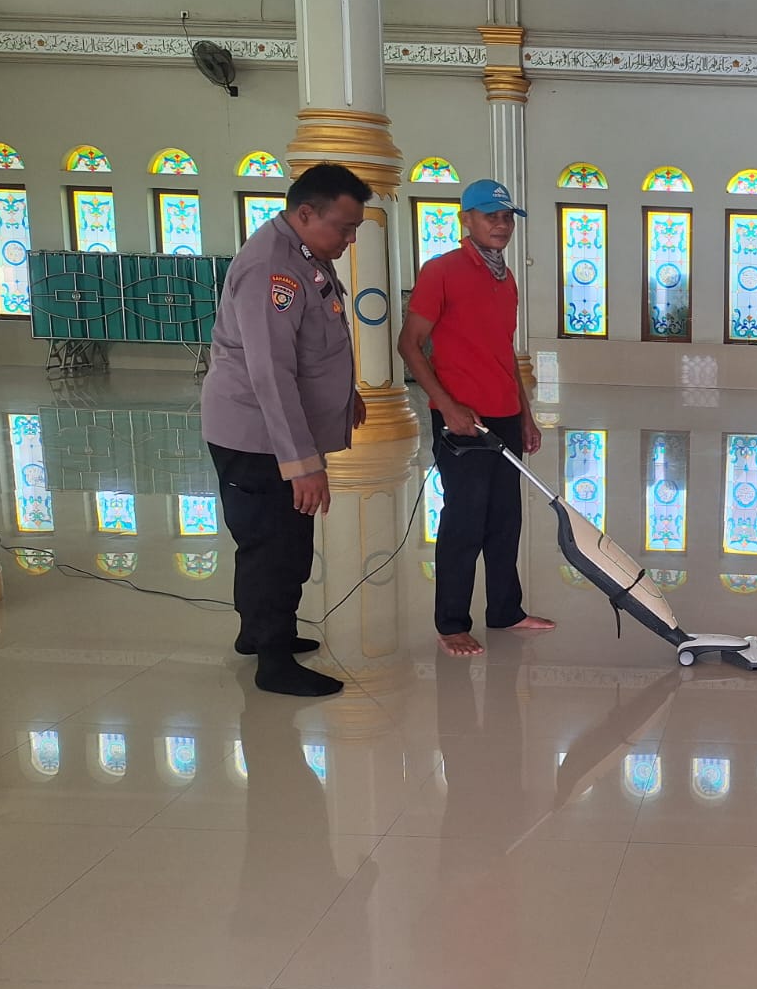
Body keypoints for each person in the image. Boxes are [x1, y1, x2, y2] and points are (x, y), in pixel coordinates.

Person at [202, 163, 372, 697]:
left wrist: (346, 394)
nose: (349, 240)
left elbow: (314, 341)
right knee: (273, 546)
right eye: (343, 228)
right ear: (305, 213)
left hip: (271, 433)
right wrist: (301, 464)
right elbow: (270, 372)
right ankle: (273, 662)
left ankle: (259, 633)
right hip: (257, 437)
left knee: (283, 541)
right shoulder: (270, 268)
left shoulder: (303, 255)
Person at [398, 178, 555, 656]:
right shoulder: (441, 271)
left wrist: (525, 414)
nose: (501, 225)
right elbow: (409, 344)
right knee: (465, 520)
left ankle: (505, 609)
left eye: (507, 217)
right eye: (491, 216)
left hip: (504, 414)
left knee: (505, 519)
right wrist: (447, 406)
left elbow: (503, 351)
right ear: (466, 219)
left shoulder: (504, 279)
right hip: (462, 420)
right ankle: (451, 623)